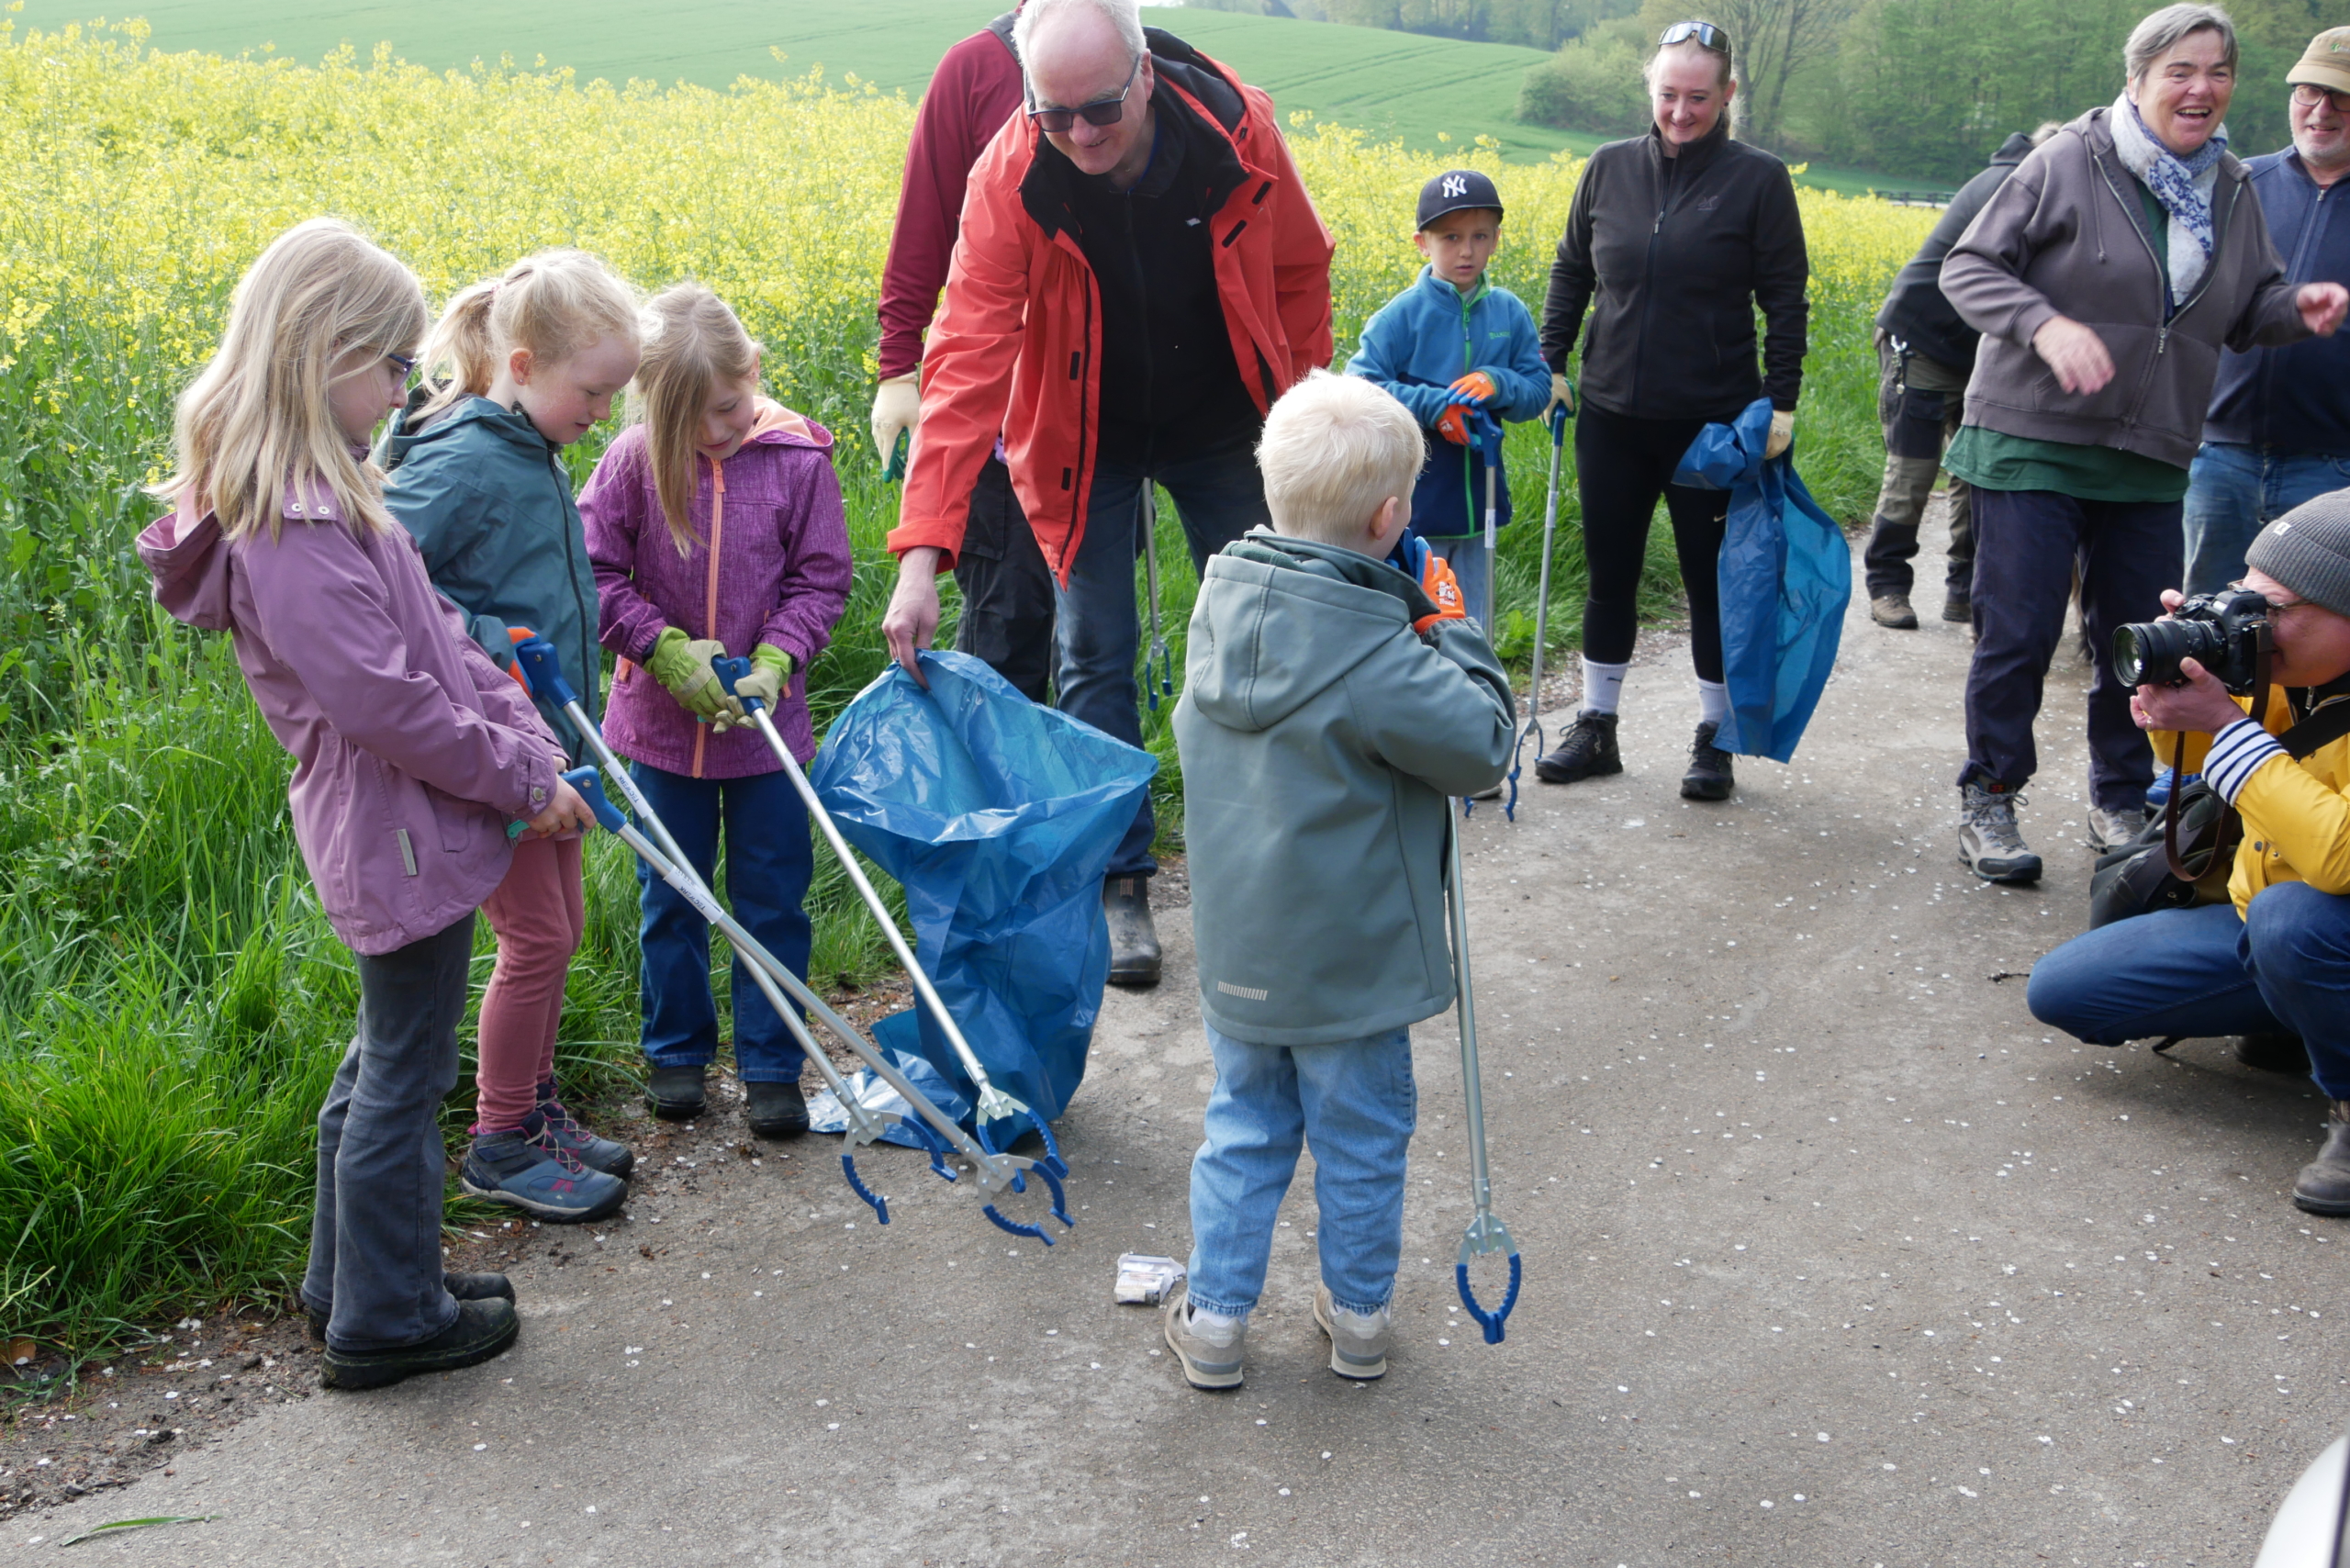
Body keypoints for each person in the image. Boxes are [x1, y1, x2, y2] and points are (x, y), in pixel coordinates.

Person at [138, 218, 590, 1389]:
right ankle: (389, 1318)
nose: (407, 386)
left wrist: (514, 728)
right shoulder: (289, 524)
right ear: (316, 352)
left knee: (383, 1057)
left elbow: (435, 640)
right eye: (391, 364)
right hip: (398, 826)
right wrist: (518, 780)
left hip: (409, 814)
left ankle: (354, 1283)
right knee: (405, 1071)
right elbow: (383, 701)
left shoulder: (327, 493)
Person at [879, 0, 1337, 988]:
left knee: (1267, 626)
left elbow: (1301, 267)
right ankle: (1119, 882)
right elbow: (963, 362)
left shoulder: (1236, 125)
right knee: (1093, 652)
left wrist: (1301, 418)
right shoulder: (1012, 171)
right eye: (1055, 115)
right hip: (1085, 434)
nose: (1081, 135)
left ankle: (1265, 859)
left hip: (1226, 417)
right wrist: (922, 556)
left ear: (1143, 75)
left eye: (1100, 109)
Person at [1939, 2, 2348, 884]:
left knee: (2146, 639)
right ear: (2138, 80)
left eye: (2219, 72)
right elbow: (1967, 267)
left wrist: (2295, 311)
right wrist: (2043, 325)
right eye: (2181, 71)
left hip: (2154, 452)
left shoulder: (2232, 188)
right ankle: (1992, 795)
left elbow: (2248, 311)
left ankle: (2121, 799)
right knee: (2018, 632)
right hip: (2031, 438)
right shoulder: (2069, 160)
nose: (2202, 89)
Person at [1162, 372, 1513, 1390]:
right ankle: (1357, 1318)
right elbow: (1482, 745)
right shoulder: (1381, 656)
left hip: (1240, 951)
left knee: (1242, 1127)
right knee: (1358, 1138)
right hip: (1352, 965)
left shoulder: (1217, 607)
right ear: (1393, 516)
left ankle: (1218, 1320)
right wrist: (1446, 617)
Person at [383, 251, 641, 1225]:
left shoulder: (528, 446)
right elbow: (382, 580)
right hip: (502, 753)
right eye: (593, 390)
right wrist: (494, 643)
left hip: (552, 737)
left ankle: (534, 1112)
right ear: (524, 365)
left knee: (562, 931)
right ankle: (498, 1139)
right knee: (535, 938)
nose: (602, 413)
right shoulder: (463, 457)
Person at [2026, 492, 2350, 1216]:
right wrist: (2178, 698)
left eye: (2278, 609)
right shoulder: (2301, 675)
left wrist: (2228, 730)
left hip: (2311, 919)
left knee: (2296, 923)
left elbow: (2337, 859)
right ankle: (2307, 1011)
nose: (2253, 622)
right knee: (2068, 990)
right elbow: (2208, 768)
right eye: (2246, 597)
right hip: (2265, 917)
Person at [580, 285, 854, 1137]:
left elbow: (821, 578)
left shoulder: (801, 459)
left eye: (729, 408)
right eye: (691, 420)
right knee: (673, 894)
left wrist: (777, 658)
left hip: (769, 737)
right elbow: (593, 573)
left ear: (754, 373)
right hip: (659, 735)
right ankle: (678, 1054)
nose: (715, 433)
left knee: (773, 897)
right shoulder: (629, 462)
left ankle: (772, 1062)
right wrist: (657, 646)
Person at [1534, 17, 1808, 804]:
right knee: (1610, 573)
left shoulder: (1759, 180)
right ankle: (1597, 725)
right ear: (1649, 90)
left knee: (1707, 583)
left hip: (1711, 425)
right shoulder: (1608, 168)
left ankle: (1715, 737)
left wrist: (1780, 400)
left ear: (1727, 95)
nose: (1681, 112)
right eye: (1667, 95)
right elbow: (1571, 270)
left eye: (1698, 97)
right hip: (1613, 415)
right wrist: (1552, 362)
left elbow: (1785, 297)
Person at [871, 5, 1058, 702]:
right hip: (1000, 425)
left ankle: (1076, 802)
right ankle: (994, 806)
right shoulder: (975, 69)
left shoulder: (1131, 66)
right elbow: (922, 229)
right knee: (1007, 633)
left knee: (1094, 645)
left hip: (1103, 434)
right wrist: (898, 367)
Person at [1863, 124, 2060, 631]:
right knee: (1913, 470)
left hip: (1976, 351)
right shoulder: (2011, 185)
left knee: (1975, 474)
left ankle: (1963, 591)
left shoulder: (2037, 183)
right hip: (1924, 338)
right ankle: (1887, 585)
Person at [2180, 27, 2350, 599]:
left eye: (2342, 97)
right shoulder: (2238, 183)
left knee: (2313, 639)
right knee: (2204, 623)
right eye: (2308, 92)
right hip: (2220, 457)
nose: (2321, 112)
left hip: (2334, 470)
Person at [1344, 167, 1552, 626]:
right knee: (1418, 621)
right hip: (1411, 505)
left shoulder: (1509, 313)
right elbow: (1359, 387)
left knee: (1475, 623)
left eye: (1480, 236)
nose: (1466, 250)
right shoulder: (1399, 317)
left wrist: (1498, 381)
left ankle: (1479, 694)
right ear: (1422, 242)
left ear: (1496, 239)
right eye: (1450, 237)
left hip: (1482, 497)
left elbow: (1537, 391)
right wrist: (1437, 405)